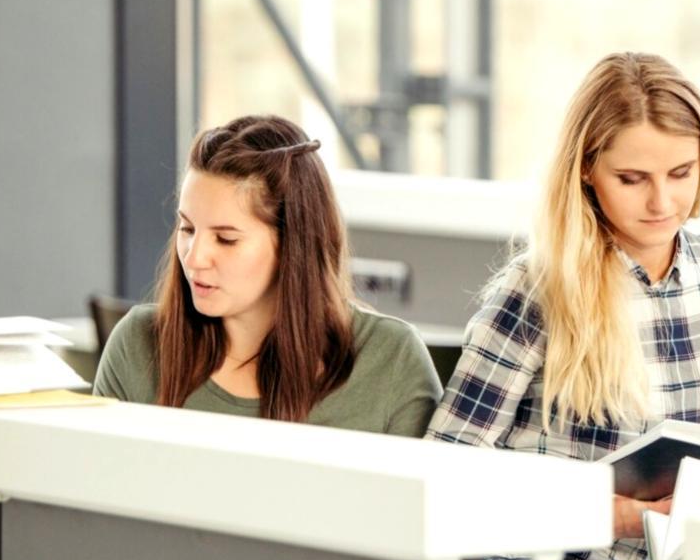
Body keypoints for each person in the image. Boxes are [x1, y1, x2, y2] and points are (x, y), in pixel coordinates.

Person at [427, 52, 700, 560]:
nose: (663, 201)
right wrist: (623, 514)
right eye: (632, 178)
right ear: (588, 170)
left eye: (682, 172)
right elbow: (446, 473)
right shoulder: (535, 290)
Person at [94, 114, 440, 436]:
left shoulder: (392, 361)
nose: (195, 258)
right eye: (187, 228)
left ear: (294, 245)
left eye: (226, 239)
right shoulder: (136, 346)